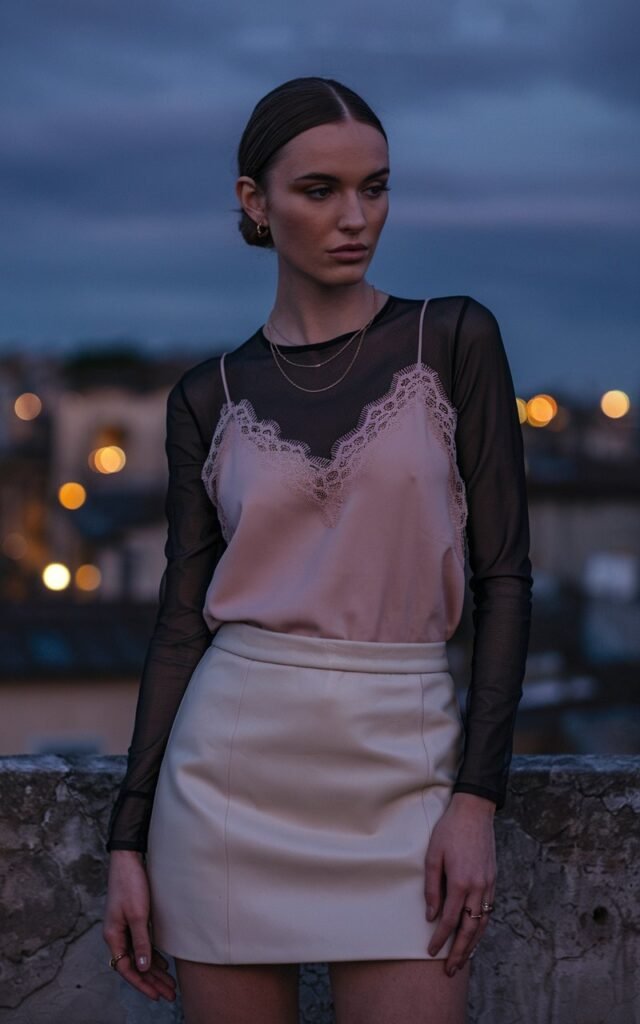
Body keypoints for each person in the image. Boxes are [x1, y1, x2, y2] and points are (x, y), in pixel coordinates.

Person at [103, 76, 532, 1024]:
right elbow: (183, 621)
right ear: (255, 203)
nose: (357, 218)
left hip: (405, 769)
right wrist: (126, 843)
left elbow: (505, 580)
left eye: (374, 188)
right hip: (227, 785)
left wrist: (477, 801)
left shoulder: (454, 337)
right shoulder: (205, 396)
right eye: (320, 190)